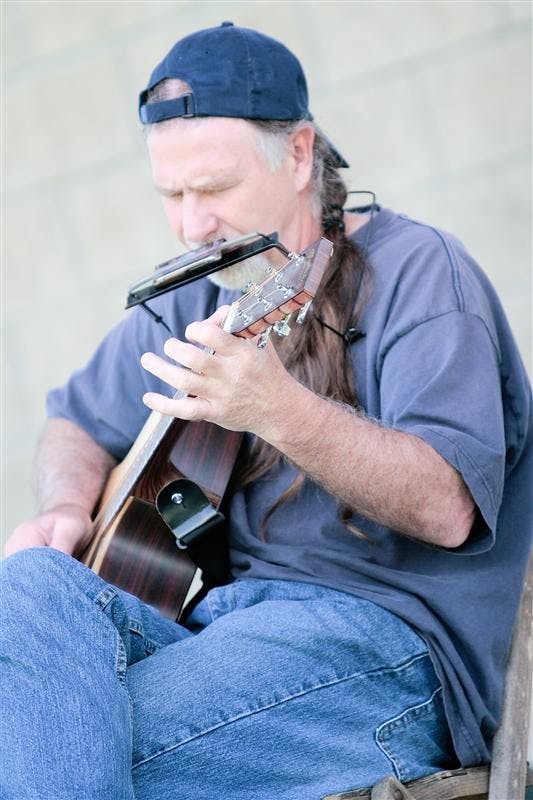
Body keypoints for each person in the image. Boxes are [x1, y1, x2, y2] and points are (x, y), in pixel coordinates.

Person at [1, 21, 531, 800]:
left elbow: (447, 506)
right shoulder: (199, 292)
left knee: (45, 746)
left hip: (384, 652)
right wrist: (68, 506)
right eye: (171, 195)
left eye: (212, 189)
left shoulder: (421, 273)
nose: (190, 225)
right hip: (216, 625)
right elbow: (71, 421)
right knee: (33, 584)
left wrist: (276, 407)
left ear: (298, 152)